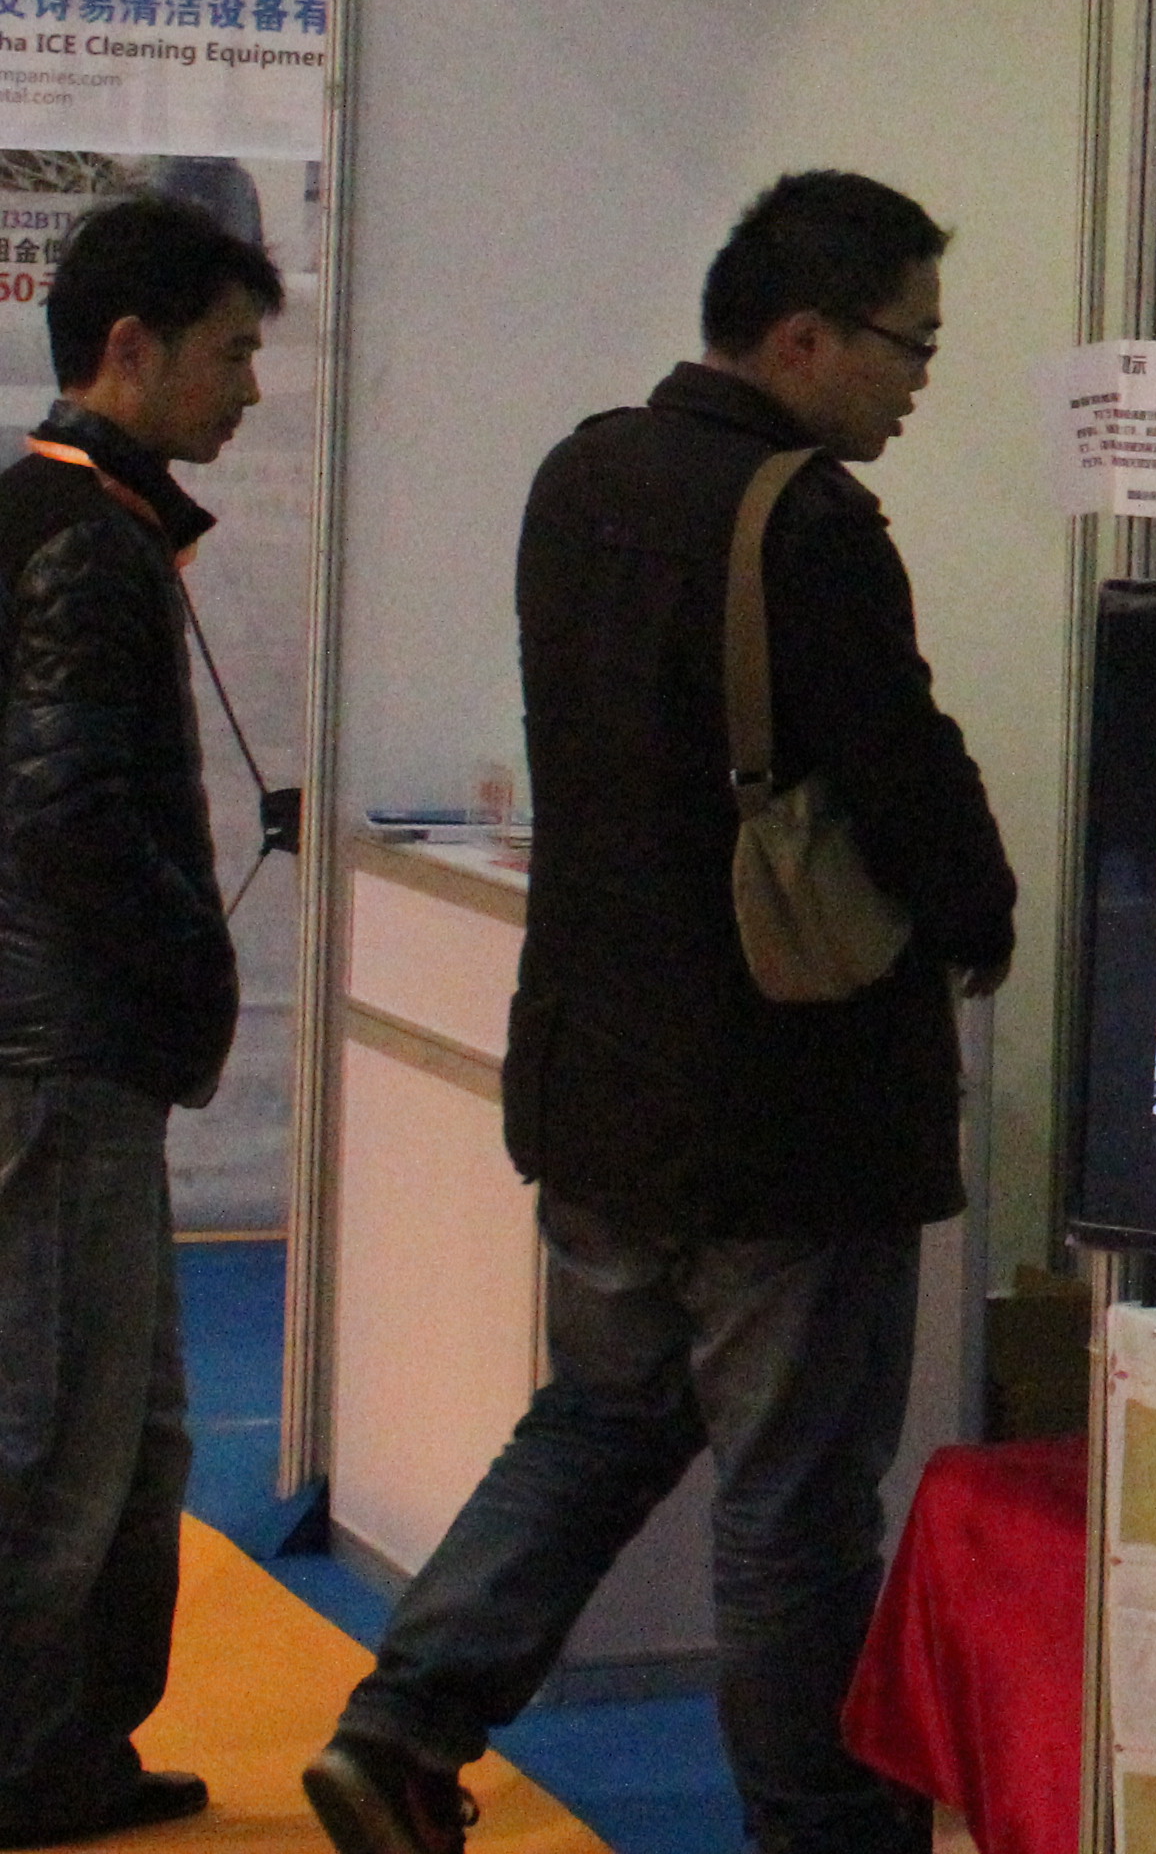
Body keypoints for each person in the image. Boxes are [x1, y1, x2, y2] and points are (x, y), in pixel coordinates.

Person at [308, 174, 1015, 1854]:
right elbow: (905, 772)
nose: (920, 383)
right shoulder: (811, 524)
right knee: (792, 1502)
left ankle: (405, 1722)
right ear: (805, 337)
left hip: (601, 1073)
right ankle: (818, 1828)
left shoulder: (585, 475)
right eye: (911, 345)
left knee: (600, 1418)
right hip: (789, 1101)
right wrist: (980, 920)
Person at [0, 196, 279, 1848]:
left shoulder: (65, 523)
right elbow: (71, 815)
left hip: (69, 1046)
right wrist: (192, 971)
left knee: (128, 1428)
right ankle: (26, 1761)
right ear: (130, 348)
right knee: (62, 1438)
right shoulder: (82, 543)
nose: (248, 388)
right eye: (230, 353)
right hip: (63, 1052)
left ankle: (65, 1749)